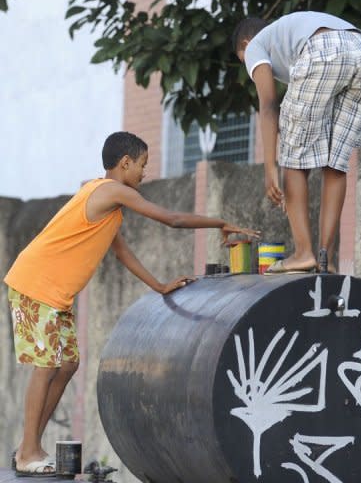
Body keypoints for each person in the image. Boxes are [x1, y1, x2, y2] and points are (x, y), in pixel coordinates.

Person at [4, 131, 260, 477]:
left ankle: (27, 446)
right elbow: (172, 219)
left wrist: (160, 286)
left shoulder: (107, 202)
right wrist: (219, 223)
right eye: (142, 165)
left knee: (67, 365)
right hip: (36, 285)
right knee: (47, 366)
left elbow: (122, 252)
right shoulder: (110, 191)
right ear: (125, 163)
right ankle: (29, 451)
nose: (145, 173)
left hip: (55, 294)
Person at [232, 11, 361, 274]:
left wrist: (270, 169)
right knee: (335, 163)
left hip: (323, 50)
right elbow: (313, 135)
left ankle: (302, 253)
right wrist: (294, 186)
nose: (250, 68)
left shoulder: (255, 45)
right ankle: (326, 260)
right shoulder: (289, 41)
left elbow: (268, 105)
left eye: (244, 62)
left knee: (292, 153)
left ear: (244, 45)